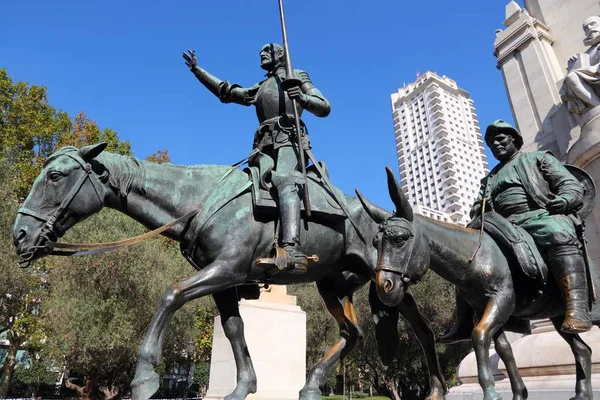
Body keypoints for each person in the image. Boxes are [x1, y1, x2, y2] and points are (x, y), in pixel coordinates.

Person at [182, 43, 331, 272]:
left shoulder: (297, 75)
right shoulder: (262, 85)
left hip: (289, 141)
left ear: (280, 55)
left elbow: (324, 106)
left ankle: (292, 248)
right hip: (263, 147)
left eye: (267, 51)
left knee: (285, 180)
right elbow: (229, 93)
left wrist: (301, 98)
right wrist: (198, 71)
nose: (261, 54)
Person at [445, 120, 590, 337]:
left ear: (514, 139)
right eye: (491, 143)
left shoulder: (539, 159)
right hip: (500, 224)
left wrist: (564, 200)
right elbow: (478, 205)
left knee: (558, 232)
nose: (496, 145)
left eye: (500, 139)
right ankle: (464, 321)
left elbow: (570, 185)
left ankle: (577, 307)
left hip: (538, 215)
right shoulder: (489, 178)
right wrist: (479, 208)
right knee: (468, 256)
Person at [561, 16, 600, 115]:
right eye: (586, 28)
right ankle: (597, 106)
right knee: (571, 76)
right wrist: (574, 61)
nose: (590, 28)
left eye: (593, 24)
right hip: (595, 73)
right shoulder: (588, 53)